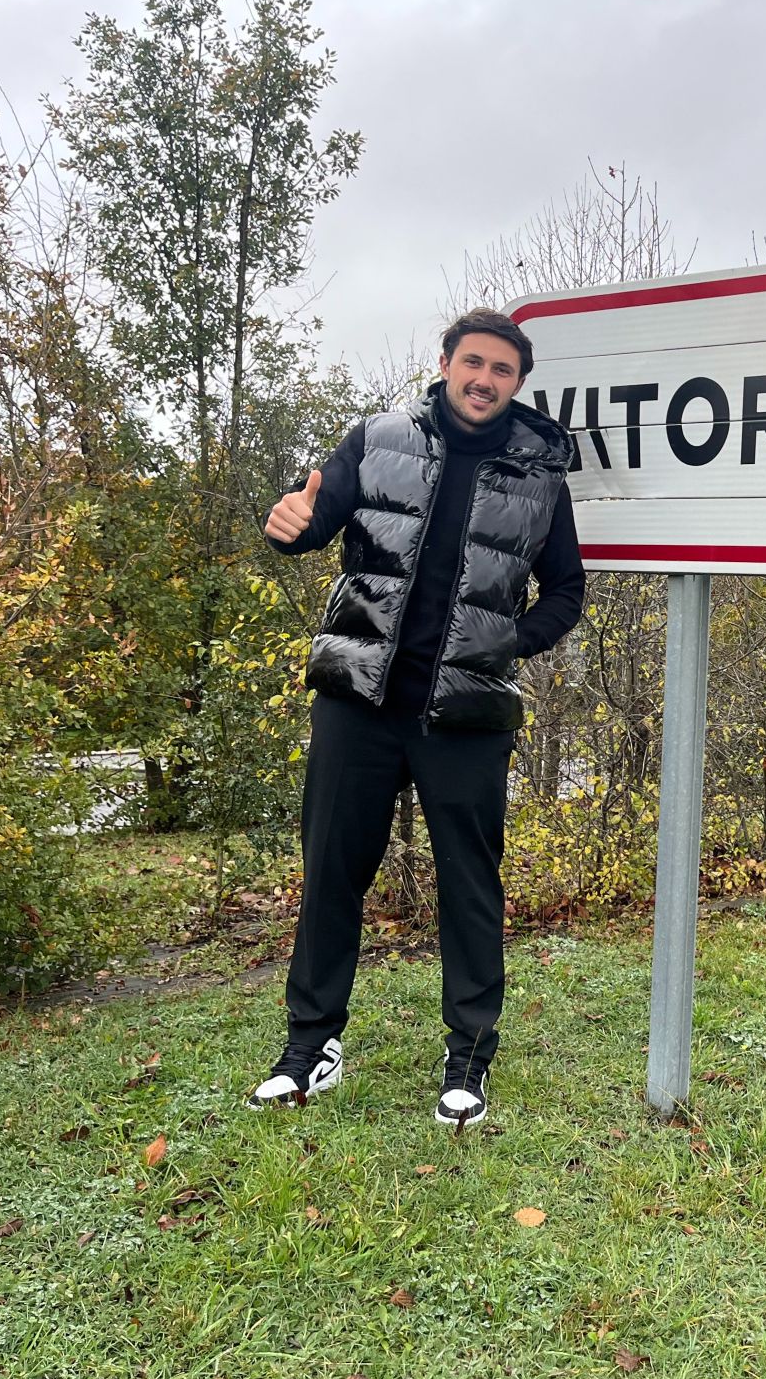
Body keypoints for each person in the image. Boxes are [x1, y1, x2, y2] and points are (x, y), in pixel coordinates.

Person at [248, 309, 583, 1127]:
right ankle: (309, 1047)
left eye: (502, 370)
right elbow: (312, 520)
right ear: (444, 364)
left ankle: (468, 1058)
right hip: (357, 702)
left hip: (467, 716)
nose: (484, 380)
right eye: (473, 363)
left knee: (470, 888)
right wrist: (286, 523)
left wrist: (506, 641)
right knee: (332, 873)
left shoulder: (541, 475)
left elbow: (566, 590)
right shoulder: (376, 439)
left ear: (517, 383)